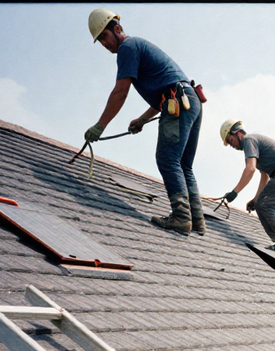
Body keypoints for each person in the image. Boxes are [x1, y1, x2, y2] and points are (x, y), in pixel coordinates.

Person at [84, 8, 205, 235]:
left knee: (167, 158)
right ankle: (196, 221)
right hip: (191, 100)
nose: (103, 43)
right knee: (183, 164)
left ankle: (181, 217)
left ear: (117, 29)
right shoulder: (139, 47)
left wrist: (100, 125)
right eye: (99, 40)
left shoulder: (127, 48)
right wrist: (141, 119)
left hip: (178, 100)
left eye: (104, 36)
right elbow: (165, 94)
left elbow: (121, 91)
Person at [219, 120, 275, 267]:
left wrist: (235, 192)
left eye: (231, 140)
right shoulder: (256, 144)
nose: (232, 146)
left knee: (265, 205)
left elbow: (251, 168)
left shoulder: (249, 141)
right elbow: (264, 176)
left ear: (237, 133)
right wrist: (255, 199)